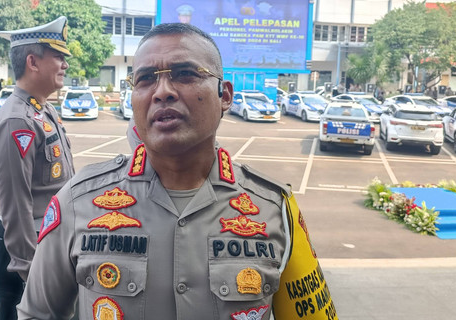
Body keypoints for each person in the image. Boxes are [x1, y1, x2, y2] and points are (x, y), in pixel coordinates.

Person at [18, 23, 337, 319]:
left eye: (185, 74)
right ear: (134, 98)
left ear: (224, 95)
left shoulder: (275, 209)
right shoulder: (77, 202)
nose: (162, 91)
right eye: (145, 79)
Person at [0, 16, 75, 320]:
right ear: (33, 62)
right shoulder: (16, 121)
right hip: (24, 253)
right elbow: (15, 204)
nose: (64, 64)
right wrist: (30, 272)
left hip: (47, 243)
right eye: (58, 57)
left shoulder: (43, 108)